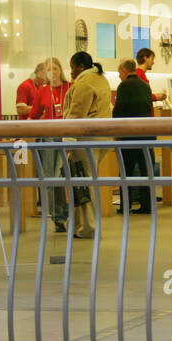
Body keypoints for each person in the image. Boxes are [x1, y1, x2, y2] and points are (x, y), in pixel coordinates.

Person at [62, 51, 112, 238]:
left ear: (81, 66)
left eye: (72, 67)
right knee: (82, 178)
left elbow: (76, 115)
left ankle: (89, 226)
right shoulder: (102, 80)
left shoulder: (84, 83)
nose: (71, 71)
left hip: (86, 139)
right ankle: (75, 224)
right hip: (103, 138)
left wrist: (67, 141)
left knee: (84, 180)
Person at [29, 57, 70, 232]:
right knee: (51, 178)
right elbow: (34, 114)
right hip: (48, 138)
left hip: (67, 136)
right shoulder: (43, 91)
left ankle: (69, 212)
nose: (52, 72)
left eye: (54, 68)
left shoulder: (69, 88)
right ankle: (58, 216)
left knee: (64, 176)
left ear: (60, 69)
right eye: (48, 69)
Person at [113, 58, 154, 214]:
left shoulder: (124, 86)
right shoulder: (145, 86)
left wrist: (116, 132)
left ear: (124, 71)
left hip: (129, 136)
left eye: (119, 73)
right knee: (146, 171)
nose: (119, 76)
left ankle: (125, 206)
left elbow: (119, 111)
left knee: (126, 172)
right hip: (147, 134)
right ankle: (147, 205)